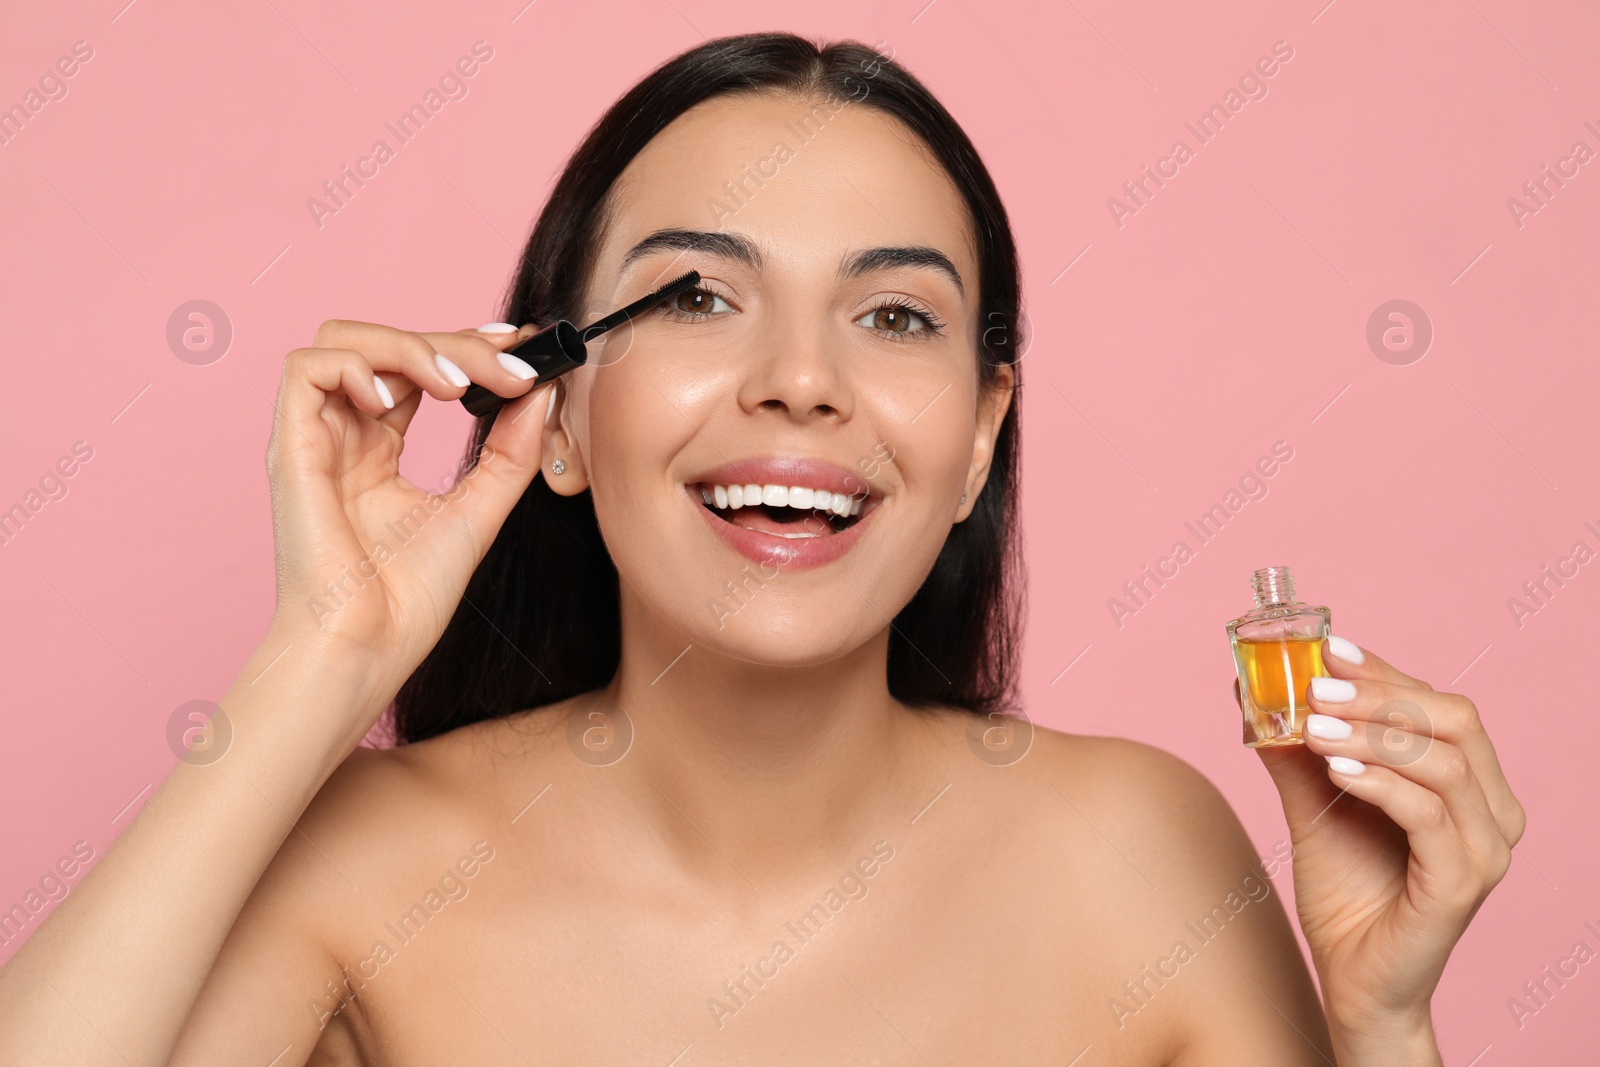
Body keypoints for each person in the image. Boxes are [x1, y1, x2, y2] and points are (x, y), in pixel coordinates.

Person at [0, 32, 1522, 1065]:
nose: (802, 378)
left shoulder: (1139, 856)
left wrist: (1381, 1027)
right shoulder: (360, 872)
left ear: (981, 433)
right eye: (694, 299)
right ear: (561, 413)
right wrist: (311, 664)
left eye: (896, 314)